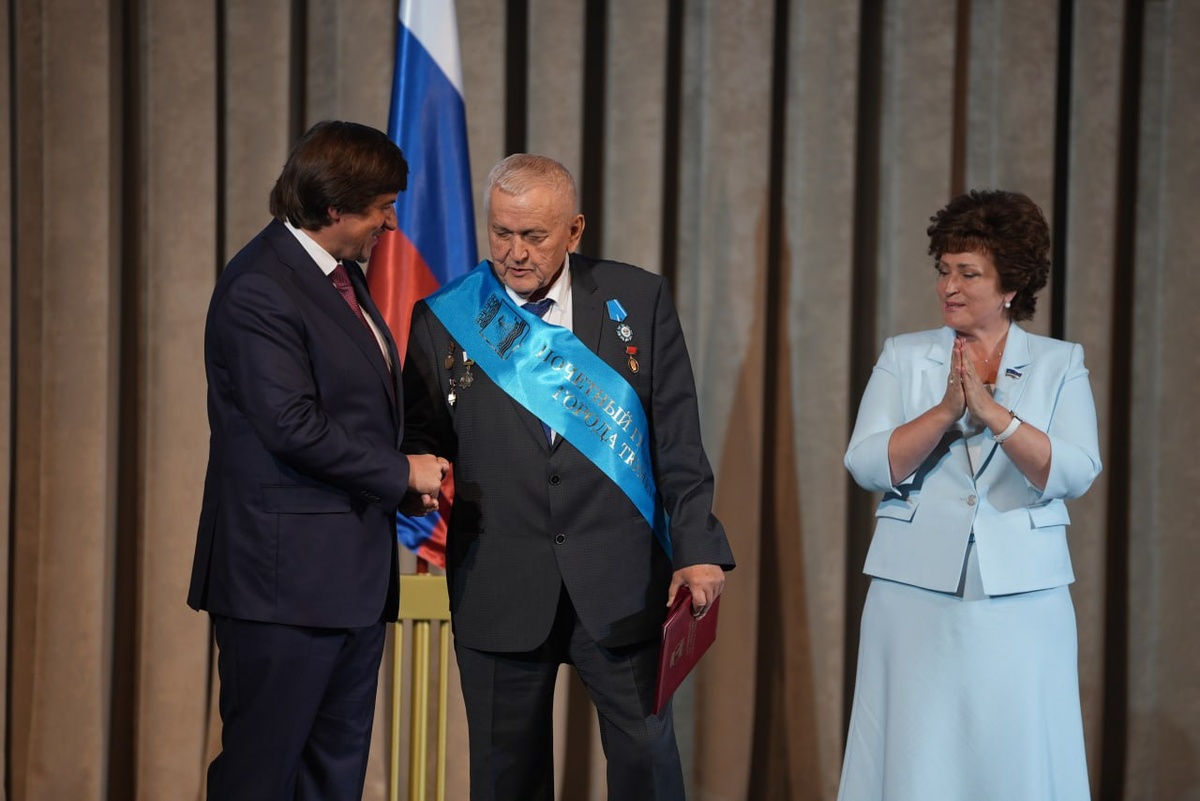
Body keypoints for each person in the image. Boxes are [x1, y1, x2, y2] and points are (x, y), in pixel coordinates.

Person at [401, 153, 735, 801]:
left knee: (646, 767)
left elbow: (678, 440)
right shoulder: (446, 316)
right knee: (506, 778)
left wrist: (696, 548)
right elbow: (419, 438)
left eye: (534, 235)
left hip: (620, 580)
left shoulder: (639, 299)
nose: (514, 253)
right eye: (501, 232)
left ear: (574, 230)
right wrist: (413, 477)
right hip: (498, 581)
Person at [187, 120, 448, 800]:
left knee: (332, 780)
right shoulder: (260, 286)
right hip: (282, 590)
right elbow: (291, 425)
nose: (391, 223)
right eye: (382, 207)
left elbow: (351, 414)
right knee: (261, 778)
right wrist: (400, 472)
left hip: (346, 587)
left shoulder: (338, 276)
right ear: (334, 208)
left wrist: (399, 480)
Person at [837, 189, 1102, 800]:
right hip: (912, 593)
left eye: (968, 273)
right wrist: (944, 412)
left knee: (1016, 752)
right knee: (916, 750)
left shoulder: (1060, 364)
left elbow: (1076, 472)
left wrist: (996, 417)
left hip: (1025, 595)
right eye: (943, 270)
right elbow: (866, 463)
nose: (948, 286)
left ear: (1011, 284)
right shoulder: (905, 355)